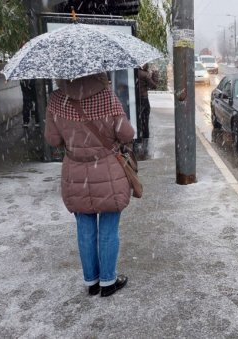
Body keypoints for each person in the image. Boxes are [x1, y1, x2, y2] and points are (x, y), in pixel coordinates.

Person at [44, 73, 135, 297]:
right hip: (108, 171)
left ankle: (92, 282)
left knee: (84, 229)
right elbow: (127, 134)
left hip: (75, 174)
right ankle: (108, 282)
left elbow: (53, 140)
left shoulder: (56, 99)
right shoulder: (107, 97)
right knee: (108, 228)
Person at [137, 64, 158, 157]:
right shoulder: (144, 74)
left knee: (138, 120)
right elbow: (154, 86)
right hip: (144, 100)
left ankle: (137, 140)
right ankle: (145, 145)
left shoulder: (134, 72)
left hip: (135, 100)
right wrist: (155, 73)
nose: (148, 65)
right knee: (145, 121)